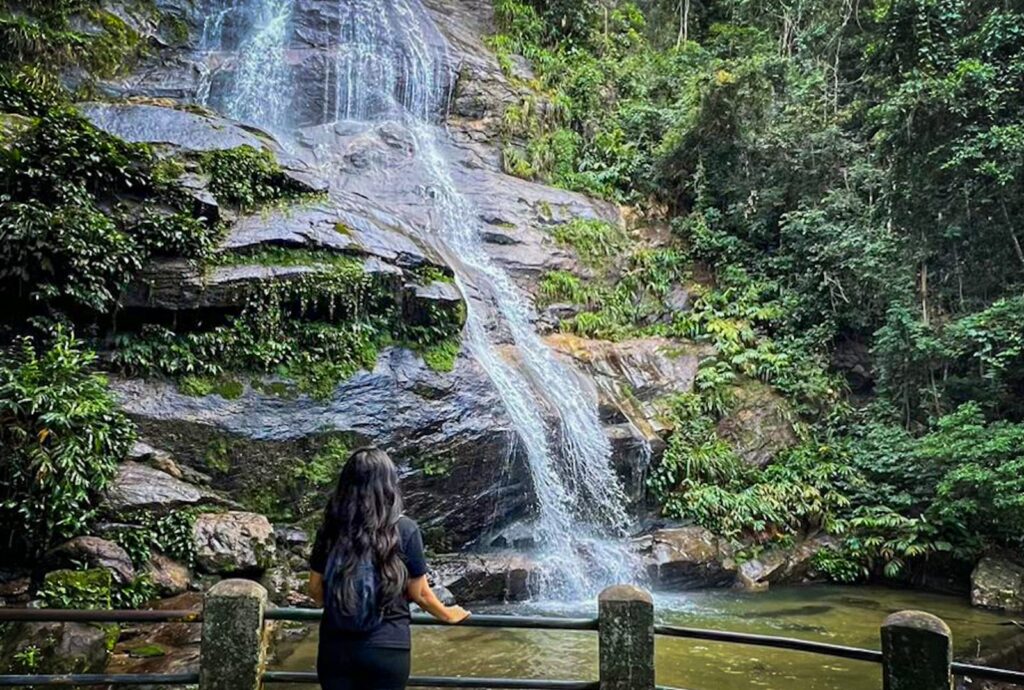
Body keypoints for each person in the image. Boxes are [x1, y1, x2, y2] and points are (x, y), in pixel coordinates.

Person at [307, 446, 470, 690]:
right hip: (388, 647)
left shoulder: (331, 529)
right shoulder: (405, 529)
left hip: (337, 647)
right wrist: (449, 614)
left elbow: (316, 591)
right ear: (389, 485)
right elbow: (421, 594)